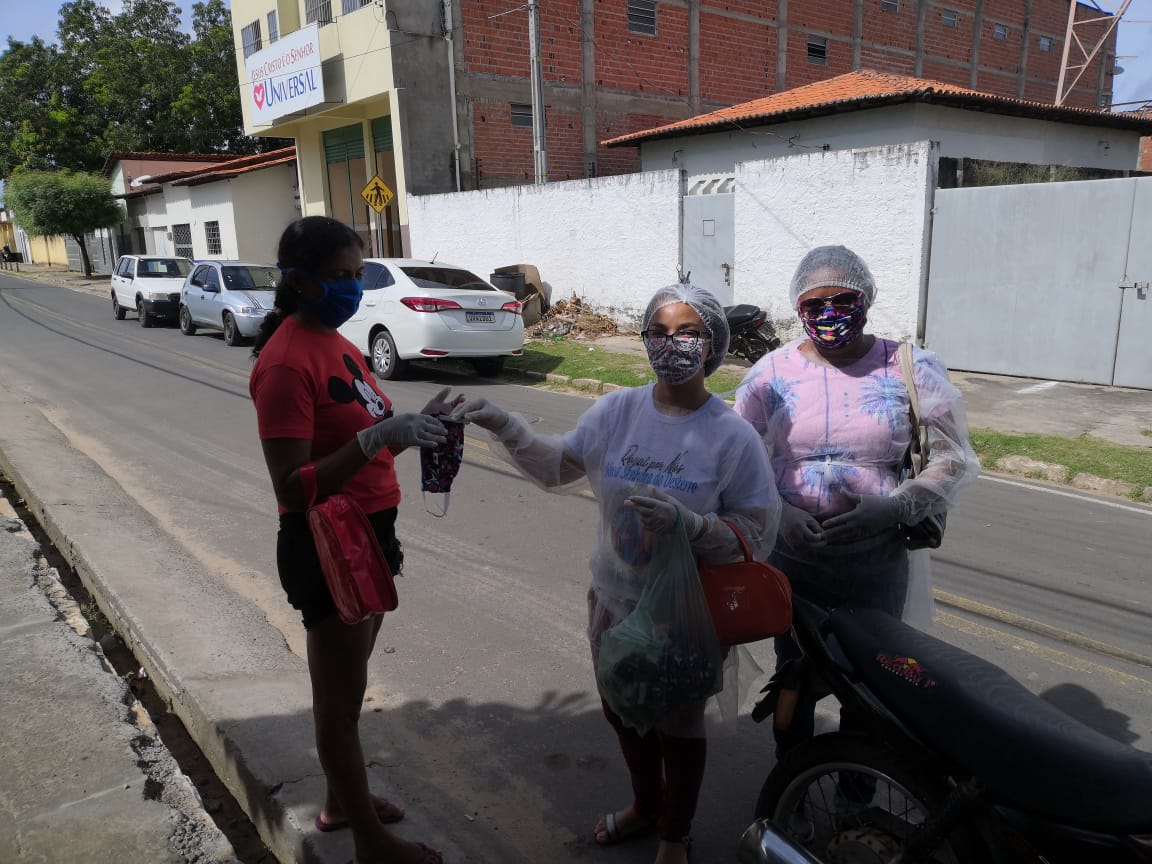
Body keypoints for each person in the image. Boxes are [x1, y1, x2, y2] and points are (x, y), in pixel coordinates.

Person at [450, 283, 781, 864]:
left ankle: (674, 834)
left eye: (688, 333)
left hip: (684, 612)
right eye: (659, 332)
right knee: (622, 708)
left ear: (712, 344)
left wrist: (693, 526)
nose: (671, 344)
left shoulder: (732, 436)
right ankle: (645, 805)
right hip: (614, 599)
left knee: (679, 725)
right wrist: (509, 428)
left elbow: (755, 532)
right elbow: (559, 467)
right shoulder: (618, 411)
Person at [249, 216, 454, 864]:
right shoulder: (285, 365)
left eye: (357, 274)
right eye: (339, 276)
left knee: (352, 687)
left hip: (370, 533)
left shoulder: (339, 344)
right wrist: (375, 439)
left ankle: (343, 803)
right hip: (326, 541)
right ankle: (370, 842)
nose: (353, 287)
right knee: (336, 705)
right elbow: (292, 488)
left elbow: (368, 429)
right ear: (298, 282)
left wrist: (414, 426)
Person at [735, 244, 979, 757]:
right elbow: (739, 457)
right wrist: (781, 513)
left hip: (876, 562)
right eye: (814, 304)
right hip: (795, 562)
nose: (829, 314)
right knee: (795, 676)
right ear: (797, 308)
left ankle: (858, 788)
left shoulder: (909, 367)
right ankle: (795, 778)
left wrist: (897, 506)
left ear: (865, 298)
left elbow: (953, 457)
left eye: (842, 300)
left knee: (874, 683)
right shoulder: (770, 373)